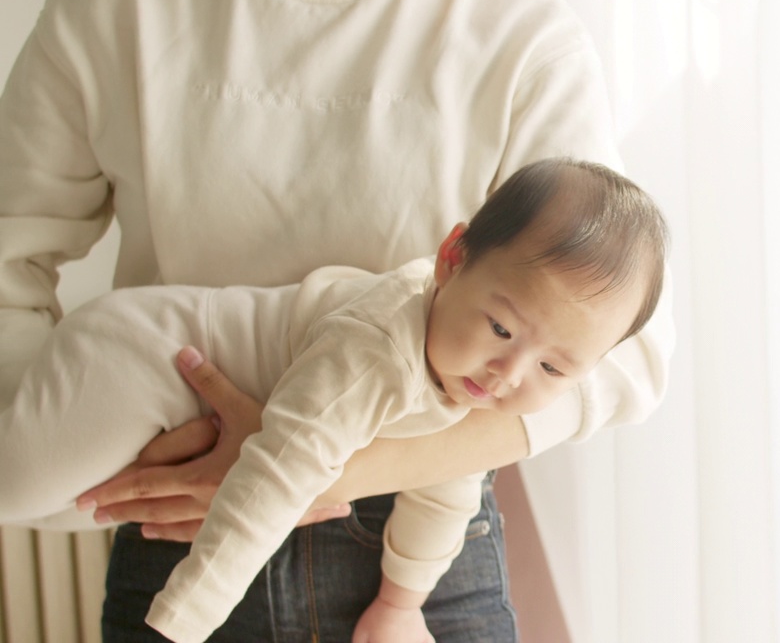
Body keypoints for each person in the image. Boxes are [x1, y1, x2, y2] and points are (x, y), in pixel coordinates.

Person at [0, 0, 675, 641]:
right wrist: (74, 441)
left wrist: (333, 470)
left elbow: (628, 356)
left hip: (418, 555)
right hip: (181, 524)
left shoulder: (518, 29)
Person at [1, 159, 669, 643]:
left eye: (552, 366)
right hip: (140, 359)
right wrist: (181, 623)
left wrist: (401, 606)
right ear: (451, 258)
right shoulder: (378, 350)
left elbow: (445, 490)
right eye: (500, 328)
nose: (507, 374)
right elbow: (274, 479)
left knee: (74, 505)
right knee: (16, 488)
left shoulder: (473, 384)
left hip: (192, 409)